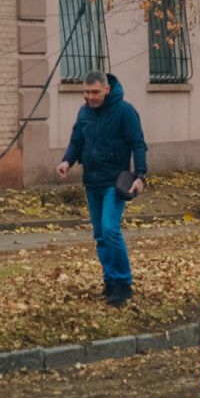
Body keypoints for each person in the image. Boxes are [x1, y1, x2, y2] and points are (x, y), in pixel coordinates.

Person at [57, 71, 148, 306]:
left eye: (94, 92)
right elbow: (77, 141)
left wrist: (141, 175)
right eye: (86, 92)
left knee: (110, 229)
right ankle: (110, 281)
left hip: (114, 182)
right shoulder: (84, 112)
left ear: (107, 89)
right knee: (99, 235)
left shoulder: (125, 111)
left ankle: (124, 283)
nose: (89, 97)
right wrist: (67, 161)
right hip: (92, 182)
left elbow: (138, 143)